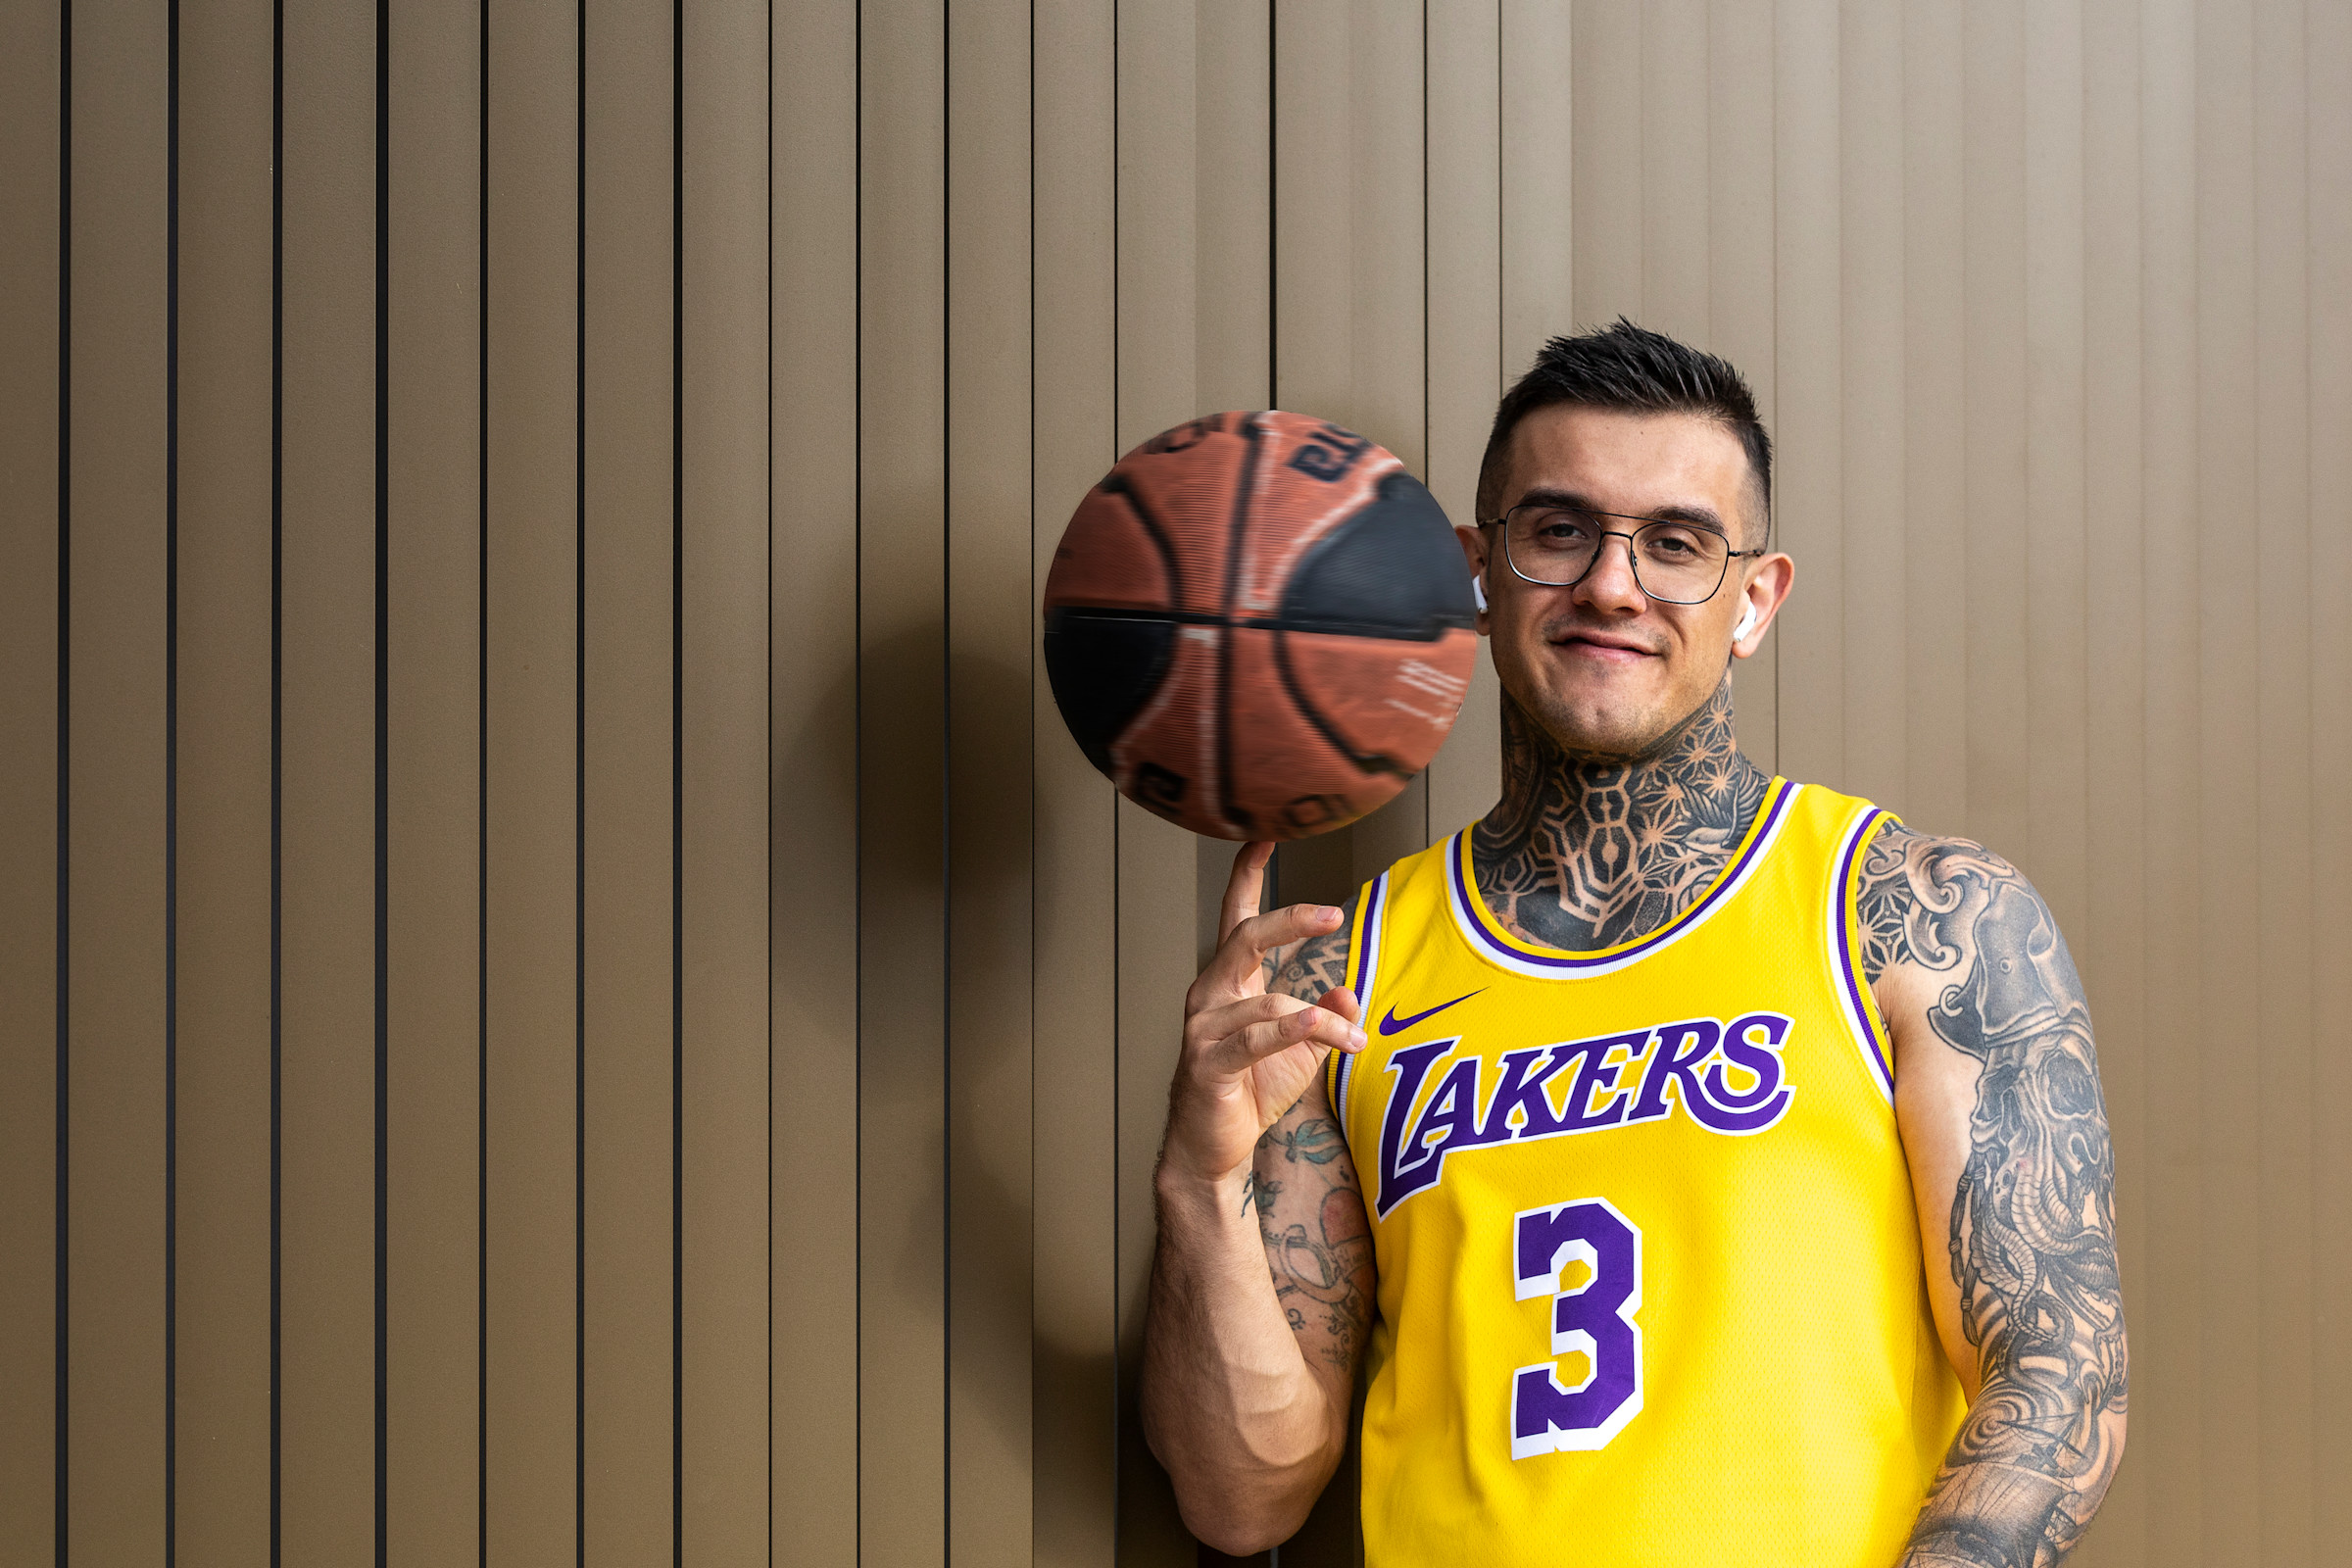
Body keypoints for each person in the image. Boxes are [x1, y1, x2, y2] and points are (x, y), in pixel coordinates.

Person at [1139, 320, 2128, 1567]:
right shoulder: (1340, 977)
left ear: (1753, 599)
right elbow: (1246, 1498)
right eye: (1560, 531)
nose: (1613, 583)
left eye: (1677, 544)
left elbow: (2059, 1366)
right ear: (1479, 572)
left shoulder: (1915, 916)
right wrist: (1199, 1171)